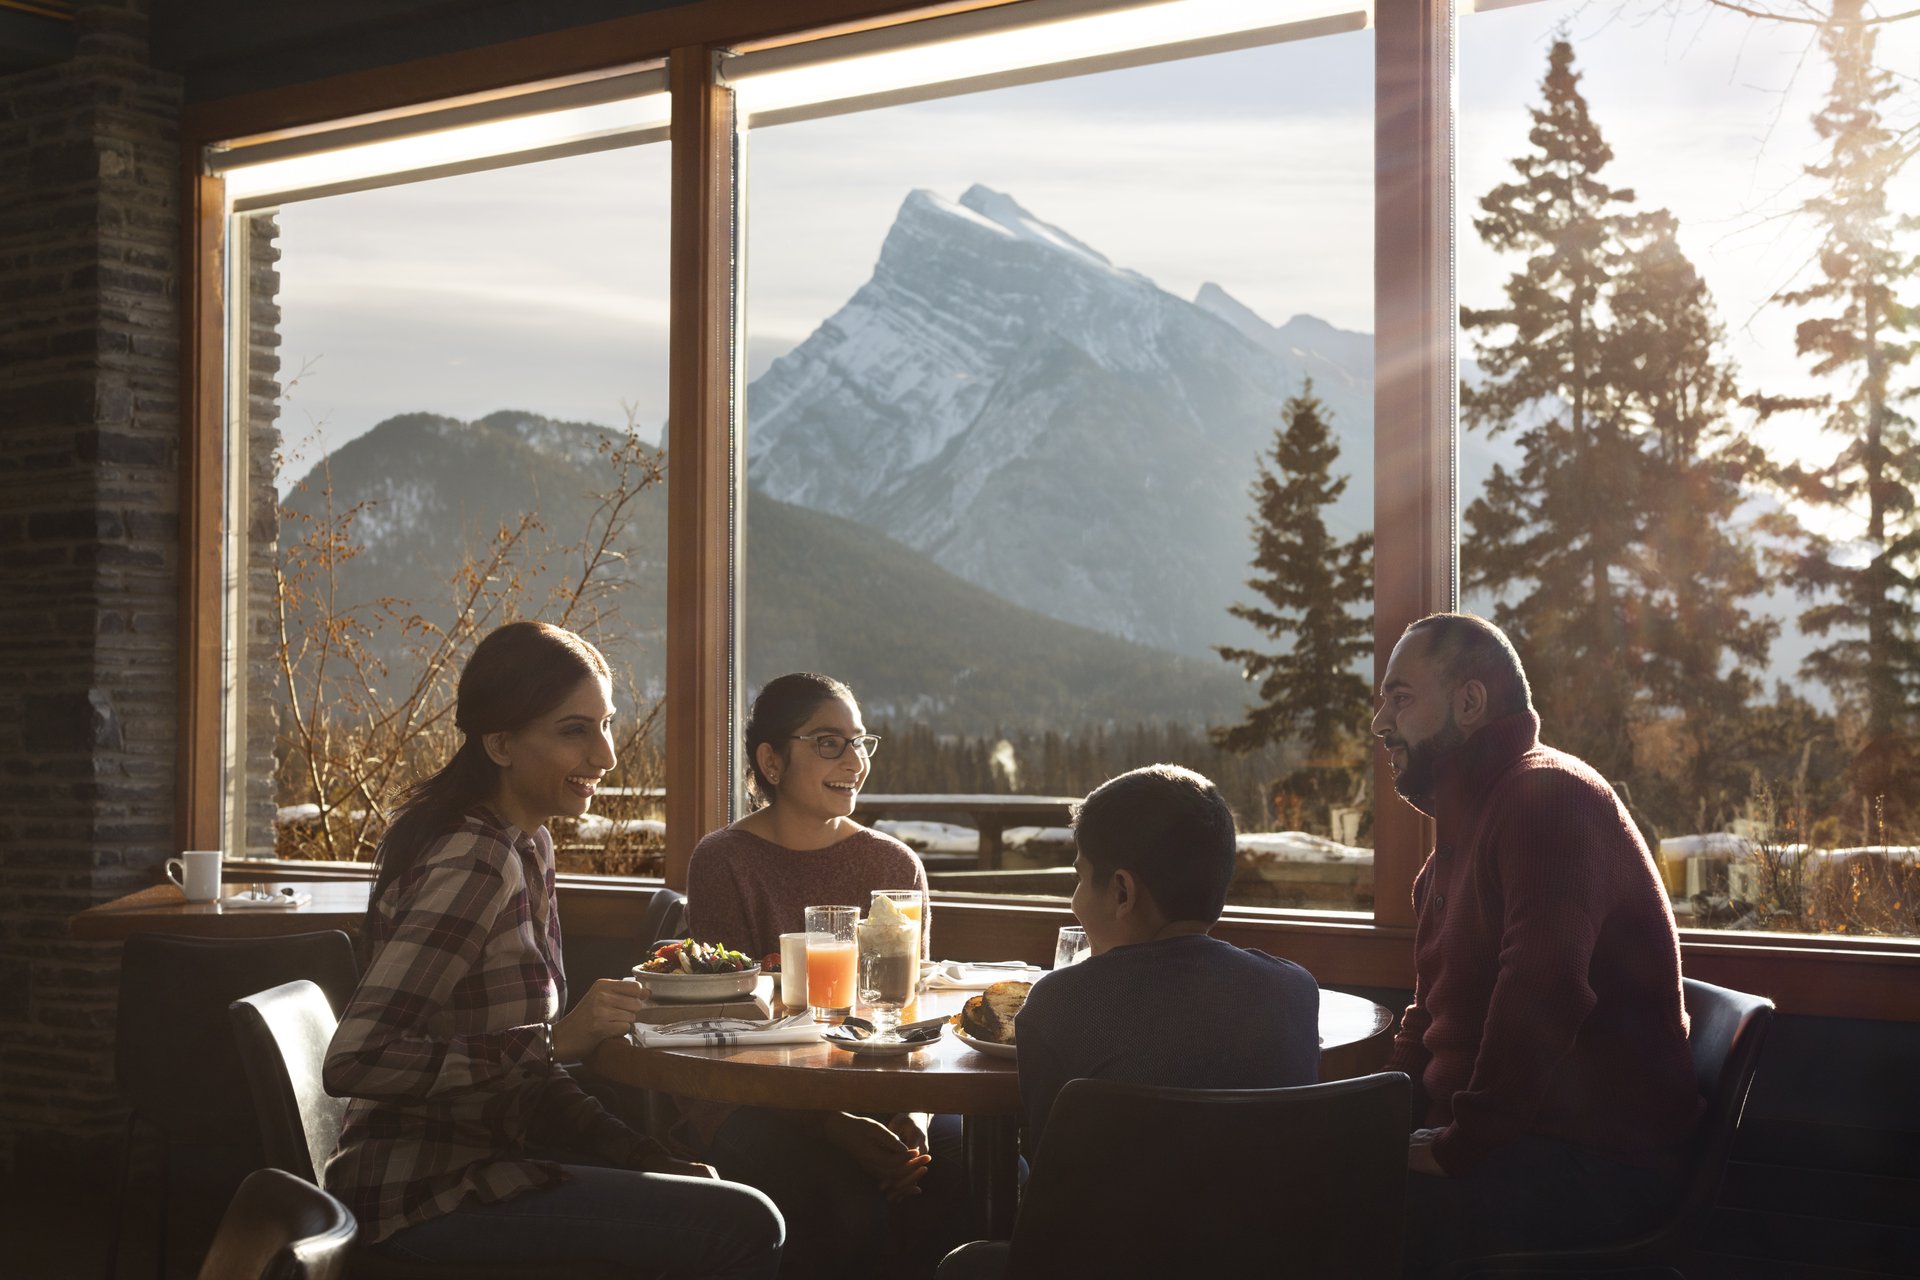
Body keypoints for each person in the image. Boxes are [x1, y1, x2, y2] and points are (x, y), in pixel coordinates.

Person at [323, 621, 783, 1278]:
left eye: (606, 724)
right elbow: (356, 1062)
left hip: (499, 1168)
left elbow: (529, 1077)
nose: (607, 756)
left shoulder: (528, 845)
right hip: (423, 1195)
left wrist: (640, 1154)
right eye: (576, 730)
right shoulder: (475, 862)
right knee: (746, 1225)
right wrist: (553, 1040)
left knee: (725, 1195)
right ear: (502, 743)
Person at [1371, 613, 1700, 1276]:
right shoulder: (1447, 860)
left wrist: (1461, 1144)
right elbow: (1429, 1012)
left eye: (1400, 698)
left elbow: (1542, 990)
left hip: (1592, 1162)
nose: (1381, 723)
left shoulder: (1548, 798)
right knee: (1310, 1176)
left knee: (1330, 1212)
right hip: (1503, 1142)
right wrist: (1371, 1119)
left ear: (1470, 702)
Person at [684, 672, 962, 1280]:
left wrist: (911, 1118)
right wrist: (836, 1128)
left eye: (860, 741)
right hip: (752, 1101)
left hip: (880, 1093)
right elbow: (725, 1031)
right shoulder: (724, 861)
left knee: (978, 1177)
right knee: (844, 1202)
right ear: (772, 761)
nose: (855, 761)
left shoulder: (893, 864)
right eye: (829, 742)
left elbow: (907, 1013)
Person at [1016, 763, 1321, 1152]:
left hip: (1110, 1214)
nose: (1074, 903)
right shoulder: (1293, 989)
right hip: (1274, 1213)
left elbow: (1049, 1168)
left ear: (1122, 892)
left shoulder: (1059, 1003)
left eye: (1079, 879)